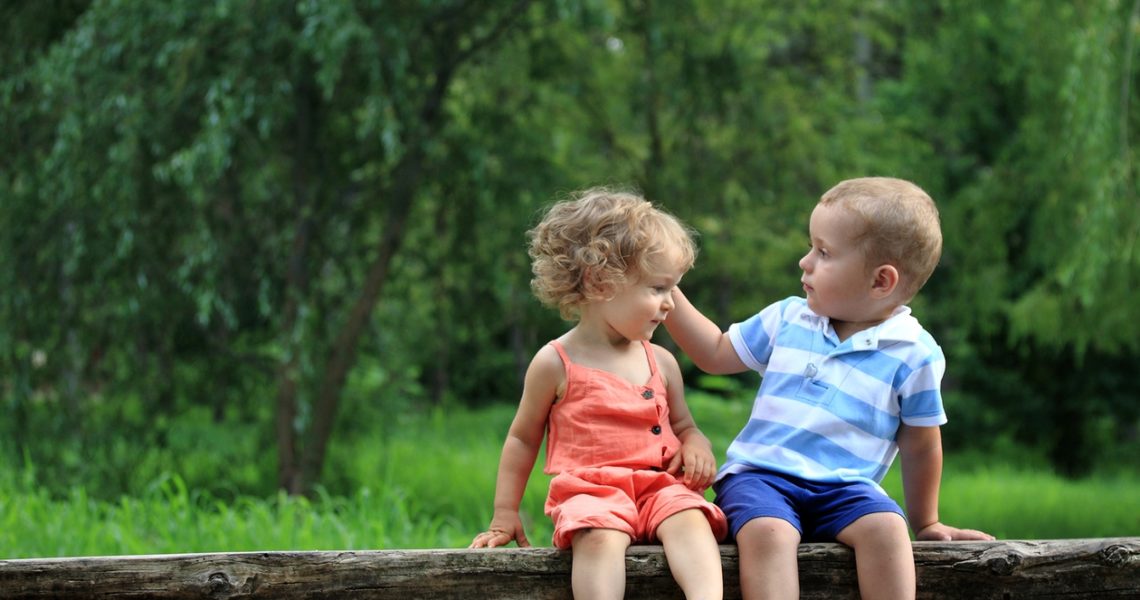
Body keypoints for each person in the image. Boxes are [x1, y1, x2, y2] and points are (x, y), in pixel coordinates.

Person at [664, 177, 994, 600]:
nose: (805, 262)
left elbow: (921, 445)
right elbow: (714, 352)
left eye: (824, 252)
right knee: (769, 532)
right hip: (762, 477)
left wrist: (926, 522)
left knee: (888, 529)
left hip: (847, 488)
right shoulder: (790, 319)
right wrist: (666, 288)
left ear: (881, 282)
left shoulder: (915, 354)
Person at [470, 187, 729, 600]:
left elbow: (684, 425)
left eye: (674, 290)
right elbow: (522, 438)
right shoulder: (556, 362)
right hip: (592, 492)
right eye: (659, 289)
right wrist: (505, 513)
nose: (670, 306)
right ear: (599, 281)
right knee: (598, 536)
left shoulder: (660, 361)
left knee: (691, 518)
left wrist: (697, 445)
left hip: (659, 486)